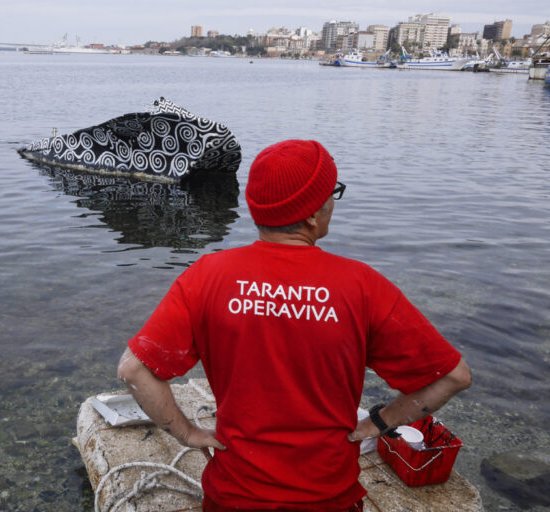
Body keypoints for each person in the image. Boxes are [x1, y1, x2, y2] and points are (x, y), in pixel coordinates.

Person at [117, 140, 472, 511]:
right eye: (331, 194)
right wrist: (379, 422)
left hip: (234, 498)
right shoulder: (363, 286)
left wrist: (187, 433)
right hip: (328, 499)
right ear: (313, 216)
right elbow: (452, 377)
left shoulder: (206, 276)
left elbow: (133, 369)